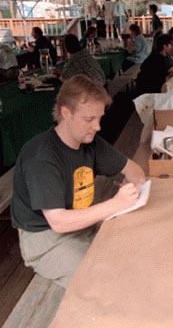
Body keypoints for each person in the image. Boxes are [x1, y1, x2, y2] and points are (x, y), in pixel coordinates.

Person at [11, 74, 146, 288]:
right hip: (45, 238)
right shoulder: (41, 156)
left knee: (136, 252)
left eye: (99, 118)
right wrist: (116, 204)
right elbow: (59, 221)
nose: (98, 126)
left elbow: (133, 169)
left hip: (82, 224)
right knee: (99, 281)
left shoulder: (88, 141)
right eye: (89, 119)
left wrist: (137, 185)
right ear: (66, 113)